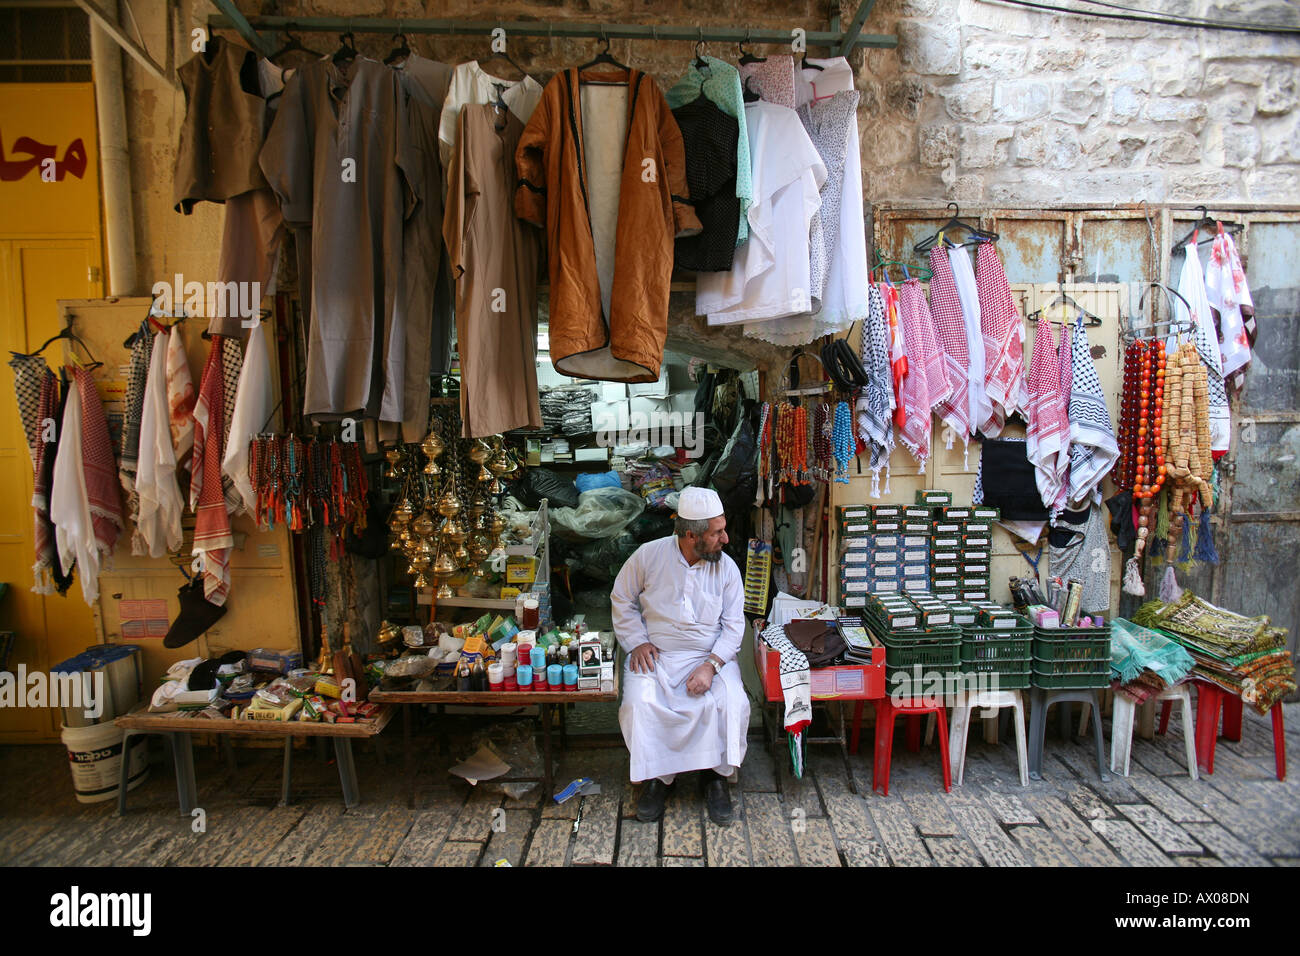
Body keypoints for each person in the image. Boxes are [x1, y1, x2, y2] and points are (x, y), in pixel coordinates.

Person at [610, 486, 749, 827]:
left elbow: (734, 626)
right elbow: (621, 598)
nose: (726, 539)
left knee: (732, 702)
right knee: (638, 704)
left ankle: (715, 776)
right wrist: (637, 641)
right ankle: (659, 777)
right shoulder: (648, 556)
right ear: (691, 535)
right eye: (717, 533)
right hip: (657, 655)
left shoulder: (727, 569)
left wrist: (711, 665)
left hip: (710, 657)